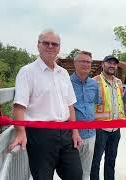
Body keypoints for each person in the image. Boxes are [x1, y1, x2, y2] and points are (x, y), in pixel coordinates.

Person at [9, 29, 83, 180]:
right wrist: (20, 132)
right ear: (38, 45)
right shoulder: (27, 72)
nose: (50, 46)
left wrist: (75, 132)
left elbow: (70, 105)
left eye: (54, 44)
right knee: (43, 177)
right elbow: (19, 106)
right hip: (40, 135)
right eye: (46, 43)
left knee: (75, 175)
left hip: (66, 132)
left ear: (59, 48)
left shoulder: (63, 73)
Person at [90, 55, 125, 180]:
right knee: (96, 161)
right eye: (109, 63)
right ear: (103, 64)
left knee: (111, 160)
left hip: (115, 129)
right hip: (100, 128)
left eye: (114, 64)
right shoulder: (94, 81)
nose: (112, 65)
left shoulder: (119, 82)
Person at [71, 50, 100, 180]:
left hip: (91, 134)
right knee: (71, 173)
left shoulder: (94, 84)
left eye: (88, 62)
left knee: (86, 172)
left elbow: (94, 104)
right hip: (72, 135)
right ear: (75, 63)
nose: (86, 64)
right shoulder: (66, 82)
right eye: (82, 61)